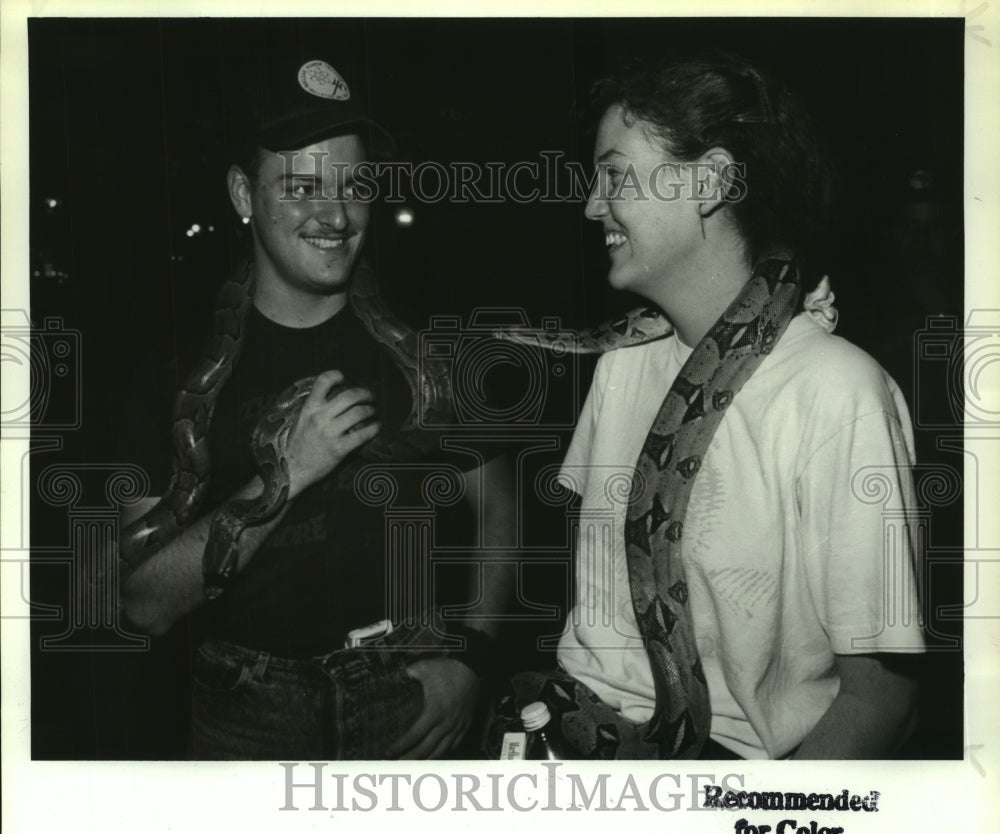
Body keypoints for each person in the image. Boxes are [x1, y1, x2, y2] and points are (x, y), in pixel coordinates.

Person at [526, 51, 924, 760]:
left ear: (708, 182)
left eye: (614, 174)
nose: (591, 205)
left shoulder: (839, 394)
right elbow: (601, 610)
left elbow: (883, 697)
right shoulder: (620, 365)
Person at [117, 52, 515, 760]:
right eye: (301, 187)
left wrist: (474, 658)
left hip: (410, 696)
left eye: (354, 186)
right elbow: (145, 604)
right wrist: (289, 471)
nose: (336, 215)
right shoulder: (170, 377)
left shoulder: (426, 354)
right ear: (242, 193)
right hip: (245, 716)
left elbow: (498, 509)